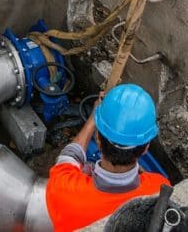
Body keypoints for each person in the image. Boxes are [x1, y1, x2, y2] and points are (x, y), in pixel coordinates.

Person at [45, 84, 170, 231]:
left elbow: (69, 155)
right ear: (146, 148)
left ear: (97, 138)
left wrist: (94, 116)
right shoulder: (159, 189)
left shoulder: (62, 188)